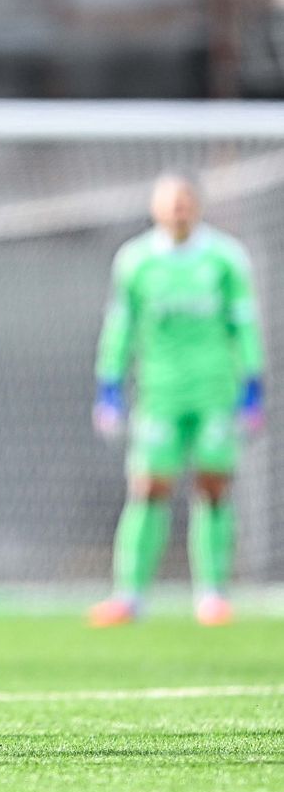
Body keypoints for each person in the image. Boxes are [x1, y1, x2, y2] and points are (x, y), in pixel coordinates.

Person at [89, 174, 264, 628]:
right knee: (148, 487)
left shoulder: (225, 259)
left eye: (186, 202)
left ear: (197, 207)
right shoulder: (136, 261)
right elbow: (120, 325)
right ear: (156, 209)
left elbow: (244, 322)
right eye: (171, 204)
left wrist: (253, 384)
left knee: (213, 486)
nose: (179, 210)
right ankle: (129, 596)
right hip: (160, 393)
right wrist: (108, 384)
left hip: (215, 391)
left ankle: (212, 595)